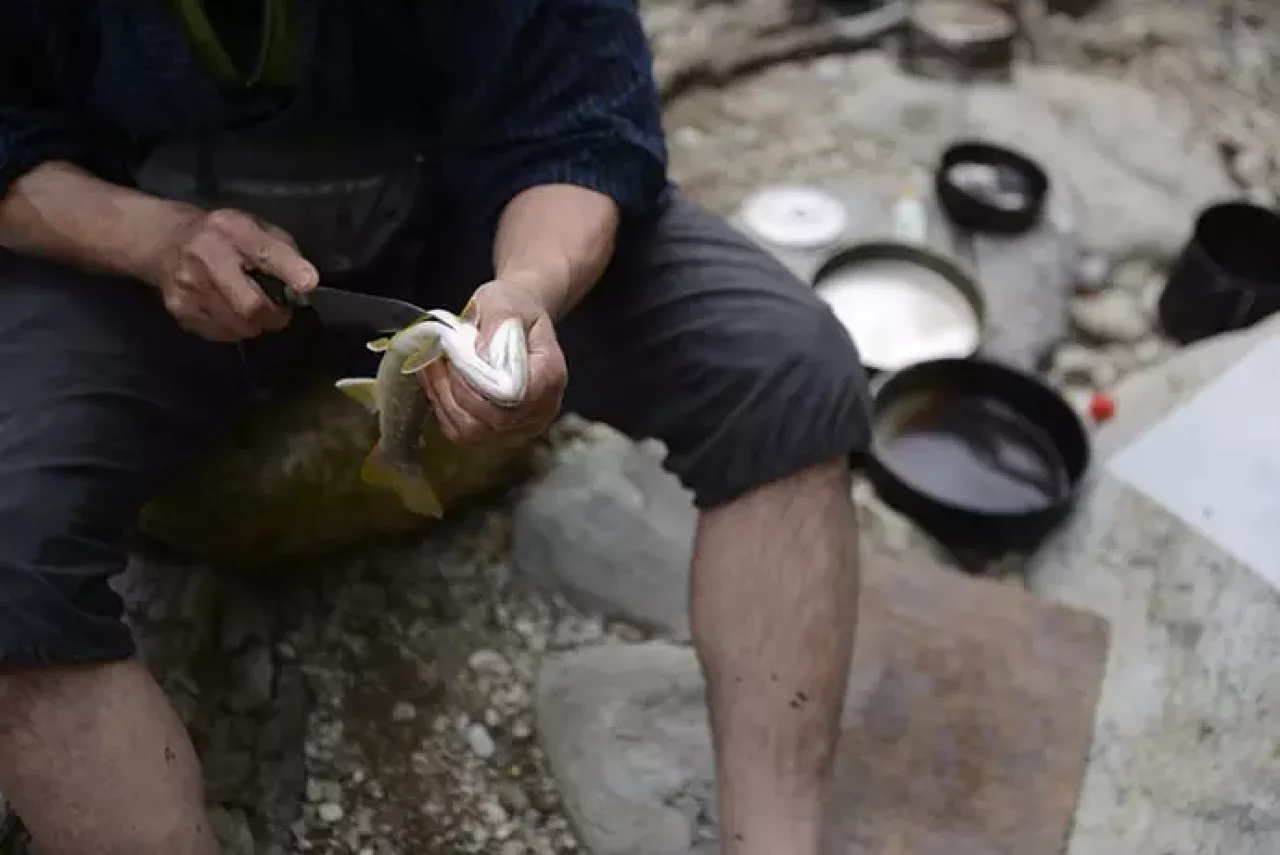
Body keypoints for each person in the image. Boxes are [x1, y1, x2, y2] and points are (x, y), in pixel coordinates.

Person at [0, 2, 871, 854]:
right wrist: (151, 238)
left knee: (783, 370)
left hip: (460, 217)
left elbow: (582, 130)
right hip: (130, 250)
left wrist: (530, 286)